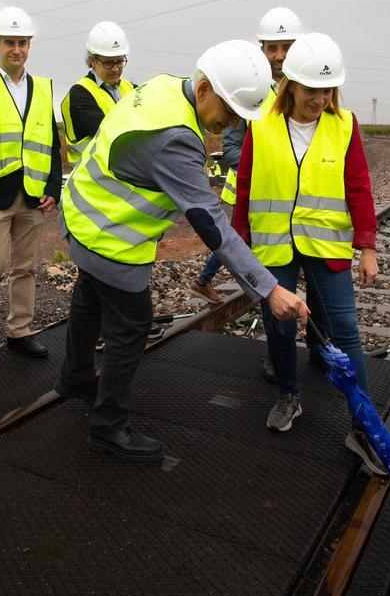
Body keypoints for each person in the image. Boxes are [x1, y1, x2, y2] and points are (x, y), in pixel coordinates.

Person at [56, 40, 311, 463]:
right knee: (131, 326)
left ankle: (75, 378)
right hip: (110, 235)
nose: (229, 122)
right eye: (228, 111)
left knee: (88, 298)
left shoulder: (166, 87)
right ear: (206, 88)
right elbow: (214, 228)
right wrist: (269, 290)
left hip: (81, 213)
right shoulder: (176, 140)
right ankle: (107, 427)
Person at [230, 32, 387, 476]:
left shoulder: (345, 125)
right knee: (280, 330)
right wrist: (240, 242)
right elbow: (244, 188)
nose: (319, 98)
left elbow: (358, 186)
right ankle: (289, 394)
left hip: (326, 246)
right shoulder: (260, 124)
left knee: (346, 333)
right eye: (311, 89)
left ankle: (362, 425)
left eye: (327, 90)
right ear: (291, 85)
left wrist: (368, 246)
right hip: (275, 245)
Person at [190, 6, 303, 306]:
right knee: (239, 240)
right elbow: (231, 149)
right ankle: (208, 282)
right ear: (261, 50)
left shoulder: (302, 93)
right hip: (252, 194)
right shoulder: (253, 91)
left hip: (285, 195)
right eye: (273, 48)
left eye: (288, 48)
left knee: (248, 242)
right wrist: (263, 174)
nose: (280, 55)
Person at [0, 7, 62, 359]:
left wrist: (53, 188)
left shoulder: (42, 88)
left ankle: (19, 330)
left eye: (22, 42)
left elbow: (52, 143)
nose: (17, 49)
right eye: (10, 42)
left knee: (25, 268)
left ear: (29, 45)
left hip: (33, 195)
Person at [59, 21, 134, 166]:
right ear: (93, 61)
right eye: (108, 63)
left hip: (120, 177)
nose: (115, 69)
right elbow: (110, 134)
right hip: (90, 182)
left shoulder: (130, 88)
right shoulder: (80, 94)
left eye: (119, 61)